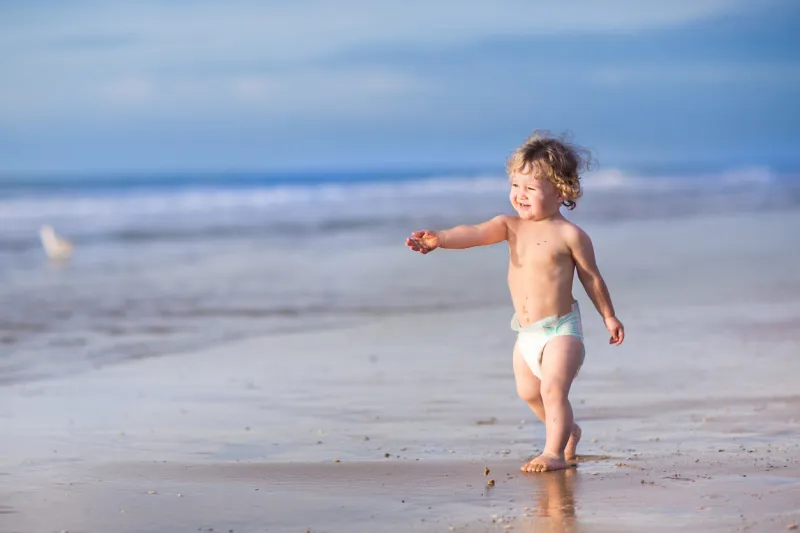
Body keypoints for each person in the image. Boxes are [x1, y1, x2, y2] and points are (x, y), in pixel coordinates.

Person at [405, 132, 624, 473]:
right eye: (515, 186)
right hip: (526, 333)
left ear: (561, 191)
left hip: (560, 330)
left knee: (552, 389)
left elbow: (592, 278)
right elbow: (474, 233)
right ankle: (568, 430)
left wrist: (608, 316)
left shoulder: (572, 236)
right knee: (529, 393)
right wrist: (441, 240)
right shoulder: (509, 226)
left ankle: (553, 453)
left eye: (531, 189)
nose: (519, 195)